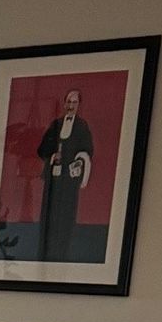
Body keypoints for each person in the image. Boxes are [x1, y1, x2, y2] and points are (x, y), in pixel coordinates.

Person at [34, 86, 96, 266]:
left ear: (79, 105)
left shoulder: (82, 127)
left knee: (66, 216)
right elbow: (42, 149)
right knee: (50, 216)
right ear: (64, 104)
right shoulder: (56, 125)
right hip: (54, 179)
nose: (71, 105)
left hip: (69, 181)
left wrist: (78, 160)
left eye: (74, 102)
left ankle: (62, 255)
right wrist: (53, 156)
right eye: (68, 102)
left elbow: (87, 151)